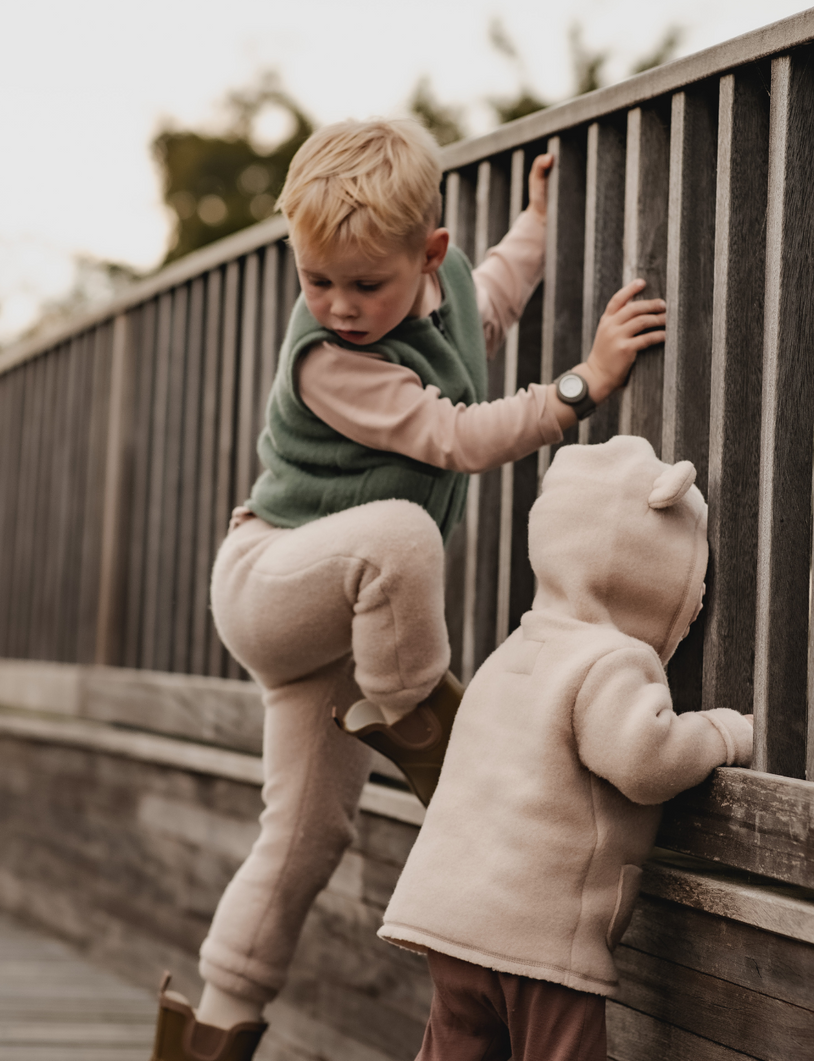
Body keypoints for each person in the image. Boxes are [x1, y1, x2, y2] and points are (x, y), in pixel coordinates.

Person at [148, 118, 667, 1061]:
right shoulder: (329, 361)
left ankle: (206, 1038)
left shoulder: (445, 283)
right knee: (401, 531)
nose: (339, 305)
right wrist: (584, 383)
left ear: (429, 255)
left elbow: (492, 295)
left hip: (345, 633)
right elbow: (458, 437)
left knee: (303, 841)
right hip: (275, 581)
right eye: (316, 280)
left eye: (364, 283)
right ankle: (432, 735)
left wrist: (539, 222)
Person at [379, 436, 755, 1061]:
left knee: (455, 1047)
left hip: (449, 925)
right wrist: (722, 733)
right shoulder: (609, 661)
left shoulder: (512, 654)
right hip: (537, 941)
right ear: (650, 569)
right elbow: (645, 759)